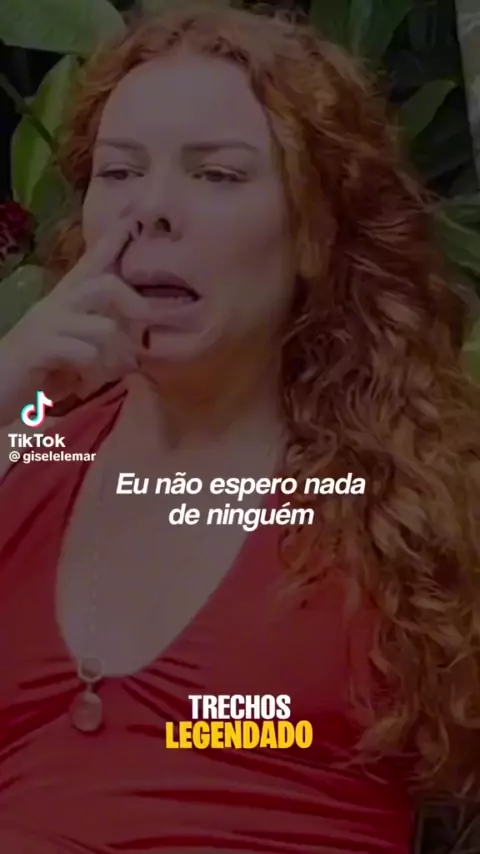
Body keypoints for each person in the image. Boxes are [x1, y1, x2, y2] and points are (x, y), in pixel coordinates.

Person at [0, 3, 479, 852]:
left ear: (315, 234)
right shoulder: (23, 446)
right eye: (119, 171)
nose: (150, 209)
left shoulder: (417, 493)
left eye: (216, 175)